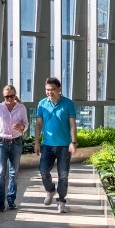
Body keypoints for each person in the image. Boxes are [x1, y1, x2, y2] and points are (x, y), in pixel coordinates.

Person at [34, 76, 77, 213]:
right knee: (43, 171)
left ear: (59, 89)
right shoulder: (42, 104)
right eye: (47, 89)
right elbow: (39, 124)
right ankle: (50, 190)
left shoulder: (68, 103)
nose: (49, 92)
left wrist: (73, 142)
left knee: (63, 175)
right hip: (47, 145)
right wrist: (36, 142)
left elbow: (72, 124)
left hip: (64, 145)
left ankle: (61, 201)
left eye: (52, 89)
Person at [0, 85, 28, 211]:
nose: (9, 98)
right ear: (3, 96)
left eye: (11, 96)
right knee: (1, 172)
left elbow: (26, 124)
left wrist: (21, 127)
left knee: (14, 173)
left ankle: (11, 200)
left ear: (15, 95)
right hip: (1, 143)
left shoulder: (21, 108)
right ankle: (1, 202)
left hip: (16, 143)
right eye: (6, 96)